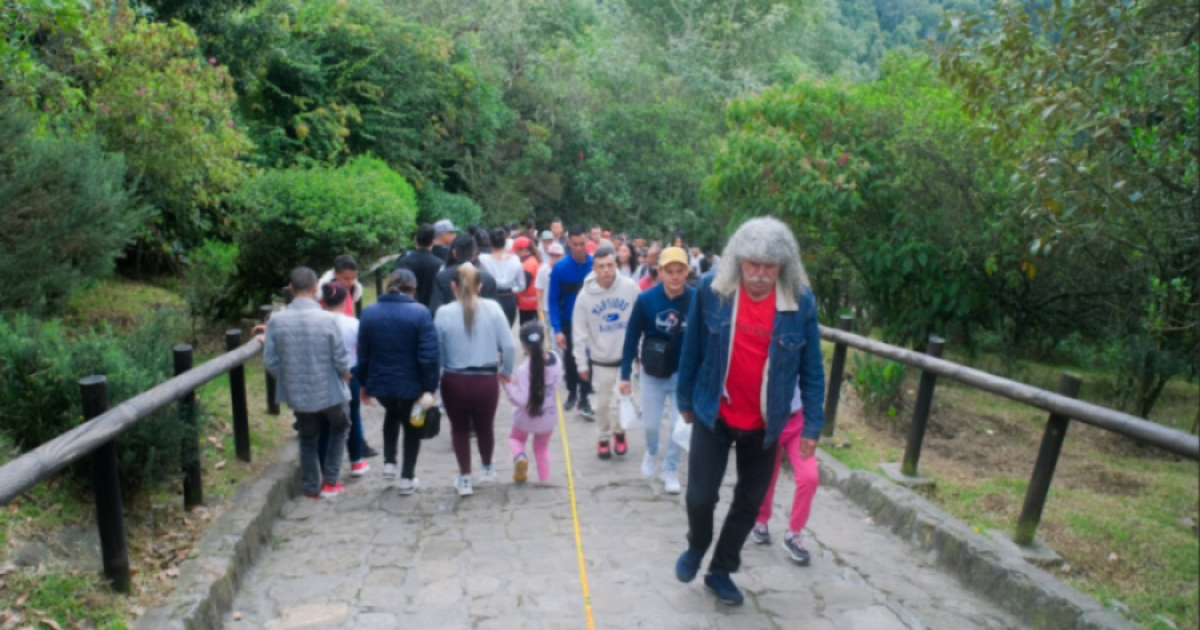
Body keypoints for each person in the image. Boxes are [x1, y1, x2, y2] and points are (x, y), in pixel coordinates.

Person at [672, 217, 826, 607]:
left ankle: (720, 570)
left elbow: (811, 370)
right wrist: (686, 401)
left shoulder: (800, 302)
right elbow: (691, 350)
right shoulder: (712, 290)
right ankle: (697, 544)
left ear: (783, 267)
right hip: (714, 413)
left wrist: (812, 423)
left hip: (766, 424)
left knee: (748, 502)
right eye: (752, 264)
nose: (759, 274)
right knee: (699, 497)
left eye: (769, 267)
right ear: (738, 260)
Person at [263, 267, 353, 500]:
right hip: (329, 390)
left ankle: (311, 487)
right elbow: (340, 357)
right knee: (341, 426)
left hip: (297, 392)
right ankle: (330, 482)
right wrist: (345, 374)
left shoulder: (277, 320)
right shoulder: (329, 319)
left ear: (291, 290)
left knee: (307, 437)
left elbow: (271, 361)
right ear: (315, 290)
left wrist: (288, 378)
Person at [434, 264, 516, 496]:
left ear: (453, 286)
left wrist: (437, 377)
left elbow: (437, 351)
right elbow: (508, 345)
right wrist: (506, 370)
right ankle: (488, 466)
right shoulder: (493, 308)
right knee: (485, 426)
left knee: (459, 429)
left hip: (454, 379)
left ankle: (466, 477)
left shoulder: (443, 313)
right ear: (480, 286)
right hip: (485, 379)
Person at [358, 269, 440, 495]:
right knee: (412, 427)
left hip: (382, 385)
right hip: (412, 387)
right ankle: (407, 477)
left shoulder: (369, 312)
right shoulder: (421, 313)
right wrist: (429, 387)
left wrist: (364, 383)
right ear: (413, 289)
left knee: (392, 413)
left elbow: (363, 353)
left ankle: (389, 463)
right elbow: (429, 356)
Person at [619, 246, 693, 493]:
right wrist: (625, 375)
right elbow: (631, 335)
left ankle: (670, 469)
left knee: (678, 426)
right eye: (669, 271)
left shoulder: (695, 299)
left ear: (687, 271)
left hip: (683, 373)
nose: (674, 276)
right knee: (651, 424)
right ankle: (651, 451)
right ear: (659, 271)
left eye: (679, 271)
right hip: (652, 372)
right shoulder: (646, 299)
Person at [572, 246, 640, 458]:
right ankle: (603, 436)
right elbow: (579, 331)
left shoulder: (629, 287)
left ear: (616, 265)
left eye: (610, 265)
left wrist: (641, 352)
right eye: (602, 266)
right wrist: (581, 363)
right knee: (601, 404)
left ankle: (619, 432)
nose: (607, 270)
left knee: (622, 401)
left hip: (625, 359)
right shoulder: (585, 296)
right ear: (595, 269)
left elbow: (641, 320)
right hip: (600, 359)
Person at [751, 390, 817, 565]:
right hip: (768, 420)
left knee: (809, 477)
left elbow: (814, 383)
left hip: (798, 421)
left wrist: (813, 425)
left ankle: (794, 533)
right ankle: (760, 519)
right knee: (767, 474)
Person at [315, 283, 368, 477]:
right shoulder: (354, 324)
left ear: (324, 300)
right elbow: (362, 352)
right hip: (350, 374)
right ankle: (356, 461)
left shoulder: (316, 324)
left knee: (325, 424)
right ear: (346, 300)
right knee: (353, 418)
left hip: (323, 375)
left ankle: (325, 468)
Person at [502, 321, 563, 483]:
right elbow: (556, 384)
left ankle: (520, 457)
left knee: (515, 439)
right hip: (548, 416)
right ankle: (544, 479)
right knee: (542, 448)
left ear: (523, 346)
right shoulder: (556, 360)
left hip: (526, 417)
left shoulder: (524, 369)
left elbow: (521, 400)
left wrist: (508, 384)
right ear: (543, 340)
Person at [548, 224, 594, 418]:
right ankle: (572, 392)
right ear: (569, 243)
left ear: (587, 242)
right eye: (575, 244)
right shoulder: (559, 268)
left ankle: (584, 397)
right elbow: (552, 299)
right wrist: (557, 328)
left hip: (591, 323)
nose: (578, 248)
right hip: (568, 321)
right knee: (570, 360)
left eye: (582, 243)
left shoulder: (595, 265)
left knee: (587, 359)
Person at [429, 234, 499, 316]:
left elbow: (435, 310)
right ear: (474, 254)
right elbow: (494, 311)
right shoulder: (488, 278)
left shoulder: (441, 277)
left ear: (454, 253)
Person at [480, 227, 526, 327]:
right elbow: (522, 286)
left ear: (490, 243)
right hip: (509, 298)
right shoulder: (515, 260)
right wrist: (511, 288)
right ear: (505, 243)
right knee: (507, 331)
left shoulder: (483, 260)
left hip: (491, 297)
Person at [395, 223, 444, 309]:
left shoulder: (403, 261)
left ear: (415, 239)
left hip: (406, 309)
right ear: (433, 241)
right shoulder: (439, 264)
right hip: (430, 311)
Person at [514, 237, 541, 326]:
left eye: (516, 251)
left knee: (528, 334)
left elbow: (523, 286)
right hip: (535, 304)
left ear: (524, 250)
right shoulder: (534, 260)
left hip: (528, 306)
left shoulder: (528, 265)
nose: (515, 254)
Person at [537, 242, 564, 323]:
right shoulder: (543, 270)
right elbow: (539, 291)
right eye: (552, 255)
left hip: (563, 308)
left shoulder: (566, 269)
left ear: (562, 255)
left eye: (557, 255)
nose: (555, 257)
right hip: (548, 308)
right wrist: (539, 308)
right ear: (549, 255)